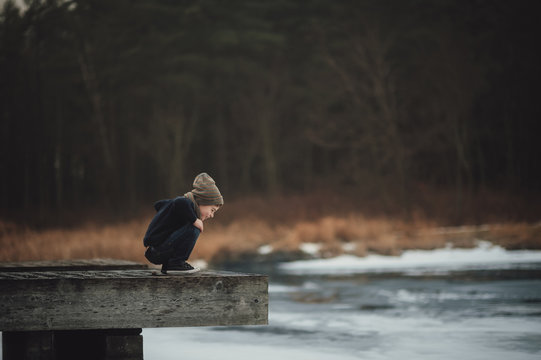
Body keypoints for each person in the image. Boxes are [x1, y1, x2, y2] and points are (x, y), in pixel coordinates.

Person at [143, 172, 223, 274]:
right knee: (194, 228)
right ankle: (176, 263)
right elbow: (178, 202)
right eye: (212, 210)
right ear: (203, 201)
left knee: (191, 227)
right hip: (157, 251)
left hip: (157, 250)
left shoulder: (183, 210)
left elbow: (159, 204)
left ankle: (169, 265)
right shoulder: (186, 202)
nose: (212, 215)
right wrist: (195, 220)